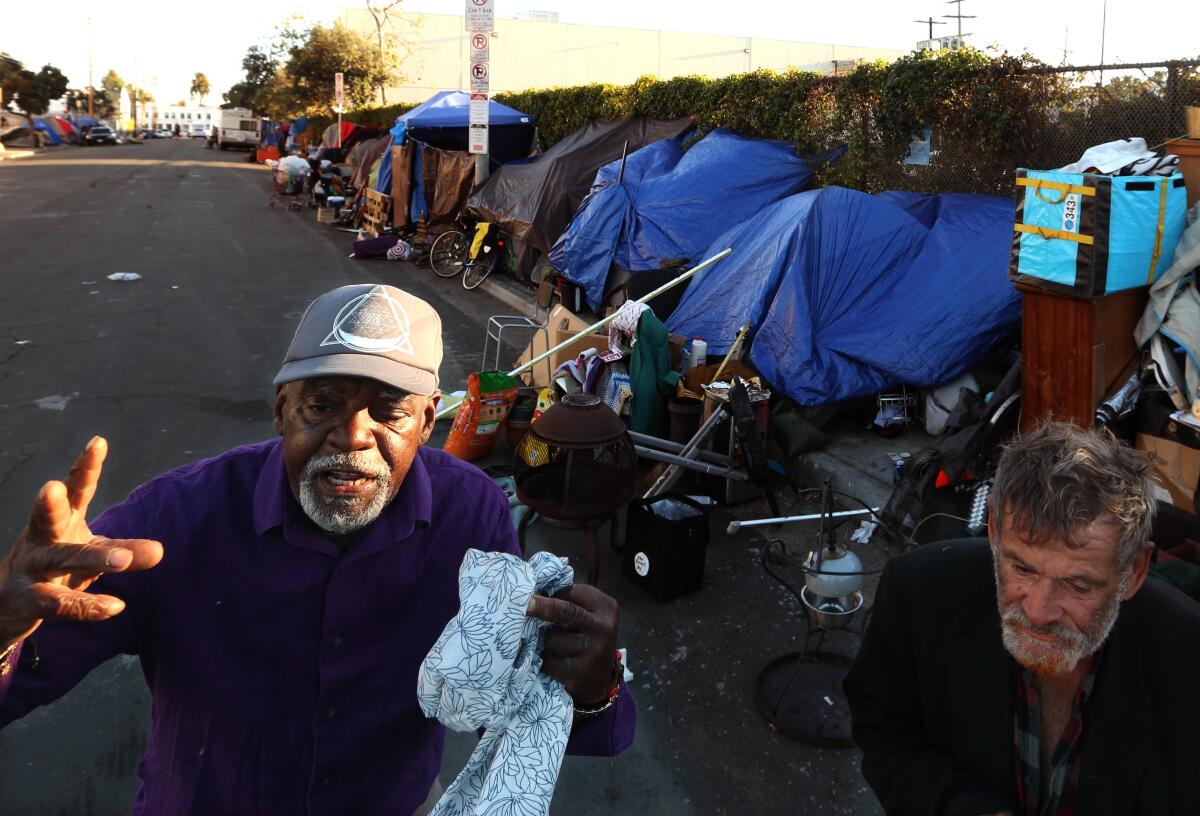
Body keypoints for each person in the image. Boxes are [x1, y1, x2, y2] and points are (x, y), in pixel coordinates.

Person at [0, 283, 635, 815]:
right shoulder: (167, 524)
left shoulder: (472, 514)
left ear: (430, 416)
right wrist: (5, 621)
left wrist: (592, 680)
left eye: (389, 412)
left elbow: (536, 699)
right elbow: (21, 677)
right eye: (322, 405)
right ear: (282, 410)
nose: (352, 437)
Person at [845, 420, 1200, 815]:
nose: (1038, 611)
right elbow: (884, 730)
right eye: (1023, 569)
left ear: (1132, 571)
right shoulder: (918, 594)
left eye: (1079, 586)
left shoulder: (1188, 657)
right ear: (995, 531)